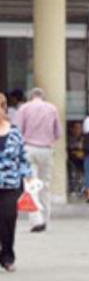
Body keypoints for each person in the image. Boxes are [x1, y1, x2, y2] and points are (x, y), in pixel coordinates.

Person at [14, 87, 62, 233]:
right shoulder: (52, 109)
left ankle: (37, 220)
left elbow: (16, 130)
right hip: (46, 149)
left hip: (28, 149)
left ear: (30, 96)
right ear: (43, 97)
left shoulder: (24, 109)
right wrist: (49, 141)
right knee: (45, 185)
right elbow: (58, 132)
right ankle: (46, 219)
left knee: (31, 186)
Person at [0, 92, 33, 271]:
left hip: (10, 182)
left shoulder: (14, 132)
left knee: (8, 218)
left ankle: (7, 255)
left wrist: (28, 175)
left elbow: (22, 156)